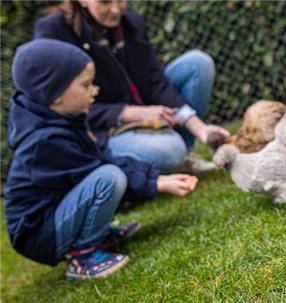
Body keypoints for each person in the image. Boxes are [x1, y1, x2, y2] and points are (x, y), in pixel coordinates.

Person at [4, 39, 198, 280]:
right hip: (40, 234)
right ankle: (83, 256)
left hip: (53, 218)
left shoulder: (63, 119)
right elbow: (97, 168)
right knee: (108, 178)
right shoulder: (44, 140)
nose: (94, 90)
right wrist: (156, 184)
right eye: (85, 85)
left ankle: (99, 235)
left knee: (108, 172)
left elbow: (103, 155)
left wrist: (156, 177)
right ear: (55, 95)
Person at [33, 0, 230, 173]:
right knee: (169, 152)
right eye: (105, 2)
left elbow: (155, 82)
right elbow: (58, 107)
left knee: (197, 64)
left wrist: (199, 127)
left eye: (122, 0)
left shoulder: (132, 22)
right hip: (100, 129)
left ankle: (184, 156)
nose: (116, 10)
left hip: (142, 108)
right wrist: (127, 112)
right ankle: (156, 163)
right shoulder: (53, 31)